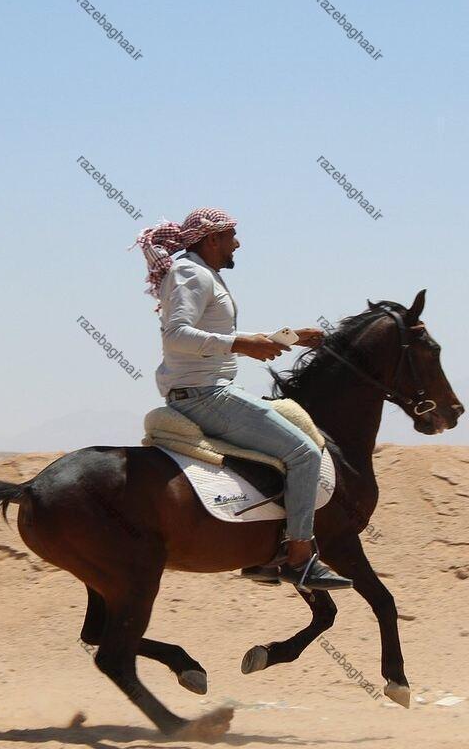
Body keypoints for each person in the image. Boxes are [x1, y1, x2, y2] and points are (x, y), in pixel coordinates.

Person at [135, 207, 351, 592]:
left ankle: (267, 555)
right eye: (232, 235)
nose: (238, 243)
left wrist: (287, 338)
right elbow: (176, 335)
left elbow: (214, 333)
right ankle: (300, 558)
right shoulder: (191, 274)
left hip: (209, 391)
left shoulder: (205, 275)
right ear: (212, 239)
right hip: (206, 396)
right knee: (304, 453)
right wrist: (240, 344)